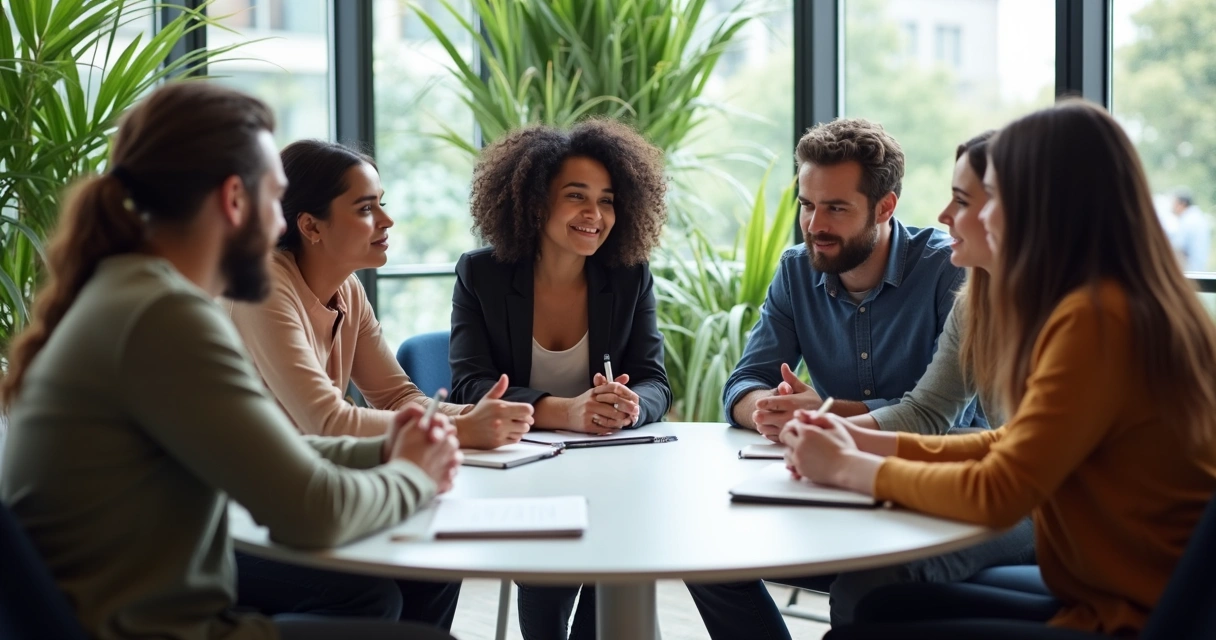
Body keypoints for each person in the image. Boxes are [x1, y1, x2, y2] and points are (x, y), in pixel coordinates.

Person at [0, 82, 461, 640]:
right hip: (159, 630)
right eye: (275, 200)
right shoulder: (163, 315)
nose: (280, 227)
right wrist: (413, 474)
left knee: (401, 587)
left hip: (142, 611)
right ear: (234, 200)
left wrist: (384, 450)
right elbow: (310, 513)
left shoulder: (133, 294)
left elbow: (274, 448)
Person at [785, 100, 1216, 639]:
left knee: (865, 623)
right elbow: (1011, 442)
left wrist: (849, 467)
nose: (957, 216)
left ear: (1040, 207)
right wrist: (861, 442)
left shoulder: (1099, 319)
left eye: (985, 199)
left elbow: (1001, 490)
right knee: (881, 607)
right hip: (1108, 591)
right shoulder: (1113, 302)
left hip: (1129, 615)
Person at [687, 121, 1031, 637]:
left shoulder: (959, 274)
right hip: (908, 476)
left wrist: (830, 425)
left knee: (864, 587)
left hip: (986, 489)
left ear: (884, 207)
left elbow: (947, 423)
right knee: (710, 554)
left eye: (836, 208)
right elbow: (744, 381)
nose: (814, 224)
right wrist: (780, 413)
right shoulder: (973, 295)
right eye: (807, 205)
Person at [448, 119, 672, 640]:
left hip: (610, 468)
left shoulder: (629, 276)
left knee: (615, 560)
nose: (595, 215)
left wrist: (629, 406)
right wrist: (565, 411)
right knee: (549, 575)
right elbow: (469, 386)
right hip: (521, 471)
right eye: (576, 196)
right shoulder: (481, 275)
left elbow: (655, 382)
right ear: (534, 202)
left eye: (607, 200)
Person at [227, 140, 534, 450]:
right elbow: (326, 421)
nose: (387, 221)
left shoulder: (348, 289)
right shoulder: (261, 287)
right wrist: (462, 428)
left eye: (380, 204)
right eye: (365, 208)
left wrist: (476, 416)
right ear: (311, 226)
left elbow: (396, 398)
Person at [1167, 187, 1211, 271]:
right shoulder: (1197, 217)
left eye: (1173, 203)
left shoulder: (1188, 220)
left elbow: (1177, 247)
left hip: (1190, 270)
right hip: (1199, 269)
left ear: (1182, 204)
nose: (1171, 206)